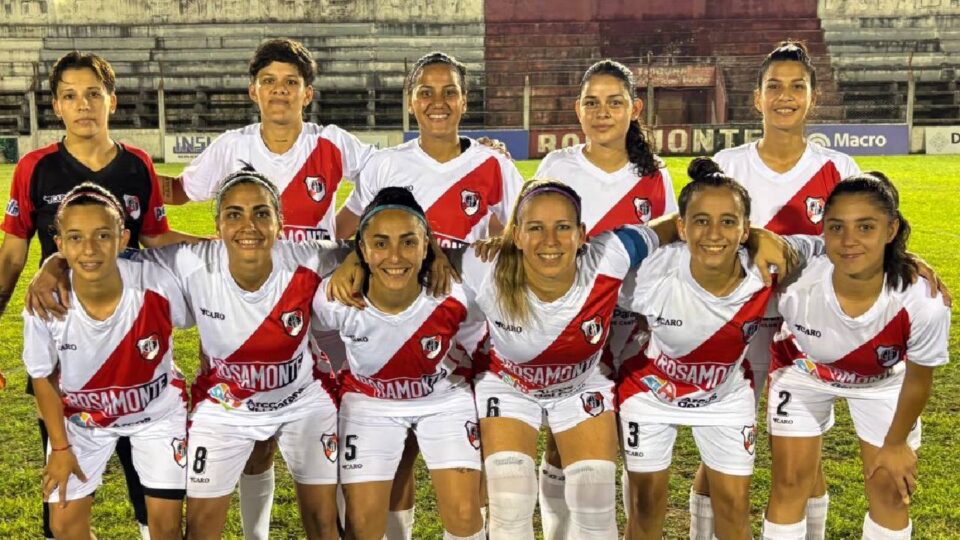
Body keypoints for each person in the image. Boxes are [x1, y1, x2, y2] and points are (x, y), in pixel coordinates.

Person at [158, 38, 378, 539]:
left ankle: (336, 521)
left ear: (307, 93)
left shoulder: (332, 143)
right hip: (245, 305)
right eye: (269, 82)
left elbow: (389, 177)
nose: (280, 91)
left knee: (334, 420)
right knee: (251, 426)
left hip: (318, 305)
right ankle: (255, 534)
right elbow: (180, 192)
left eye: (291, 83)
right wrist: (122, 165)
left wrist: (347, 236)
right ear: (253, 91)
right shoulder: (232, 147)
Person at [1, 50, 195, 540]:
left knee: (148, 494)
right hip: (66, 347)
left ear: (112, 100)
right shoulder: (34, 168)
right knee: (63, 494)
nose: (83, 104)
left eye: (93, 93)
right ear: (56, 106)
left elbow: (155, 239)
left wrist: (226, 247)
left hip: (133, 345)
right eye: (70, 96)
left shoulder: (137, 165)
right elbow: (11, 258)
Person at [336, 51, 525, 537]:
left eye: (449, 92)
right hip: (395, 336)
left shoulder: (493, 165)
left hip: (469, 336)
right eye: (425, 91)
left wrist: (467, 256)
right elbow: (344, 229)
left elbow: (519, 237)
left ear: (464, 100)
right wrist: (353, 256)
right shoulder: (385, 165)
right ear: (410, 101)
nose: (437, 102)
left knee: (470, 477)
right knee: (397, 464)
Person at [691, 40, 861, 540]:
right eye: (774, 86)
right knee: (719, 451)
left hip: (807, 331)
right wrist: (757, 240)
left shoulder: (840, 170)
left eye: (797, 87)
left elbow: (864, 243)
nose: (785, 96)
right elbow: (700, 239)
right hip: (734, 327)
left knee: (802, 456)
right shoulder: (728, 165)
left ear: (813, 97)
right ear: (757, 98)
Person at [530, 59, 677, 537]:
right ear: (578, 110)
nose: (602, 113)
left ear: (634, 109)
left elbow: (669, 249)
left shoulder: (655, 176)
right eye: (592, 103)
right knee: (563, 440)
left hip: (634, 326)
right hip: (570, 322)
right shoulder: (558, 167)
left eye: (614, 102)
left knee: (628, 437)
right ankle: (560, 532)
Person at [762, 172, 950, 539]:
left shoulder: (923, 301)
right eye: (836, 227)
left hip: (882, 383)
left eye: (866, 227)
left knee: (890, 490)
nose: (849, 241)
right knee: (789, 482)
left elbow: (918, 379)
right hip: (802, 372)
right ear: (823, 230)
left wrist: (895, 443)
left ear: (891, 229)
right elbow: (747, 242)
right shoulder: (797, 276)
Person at [616, 158, 782, 539]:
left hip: (725, 397)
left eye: (728, 221)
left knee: (735, 510)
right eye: (701, 220)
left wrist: (902, 260)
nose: (714, 233)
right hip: (650, 394)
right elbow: (593, 272)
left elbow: (828, 254)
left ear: (746, 231)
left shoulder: (765, 272)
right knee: (645, 507)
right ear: (681, 227)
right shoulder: (650, 274)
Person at [22, 183, 191, 540]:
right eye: (75, 237)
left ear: (123, 238)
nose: (89, 249)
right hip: (82, 421)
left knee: (166, 528)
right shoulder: (45, 302)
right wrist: (61, 448)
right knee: (64, 526)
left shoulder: (158, 283)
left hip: (156, 415)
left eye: (102, 235)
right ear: (59, 244)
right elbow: (41, 376)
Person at [316, 187, 485, 540]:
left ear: (426, 246)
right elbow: (309, 333)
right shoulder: (336, 298)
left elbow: (479, 331)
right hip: (368, 403)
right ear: (362, 250)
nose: (395, 256)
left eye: (408, 242)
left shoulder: (457, 293)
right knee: (361, 526)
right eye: (380, 243)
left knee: (465, 514)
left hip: (443, 399)